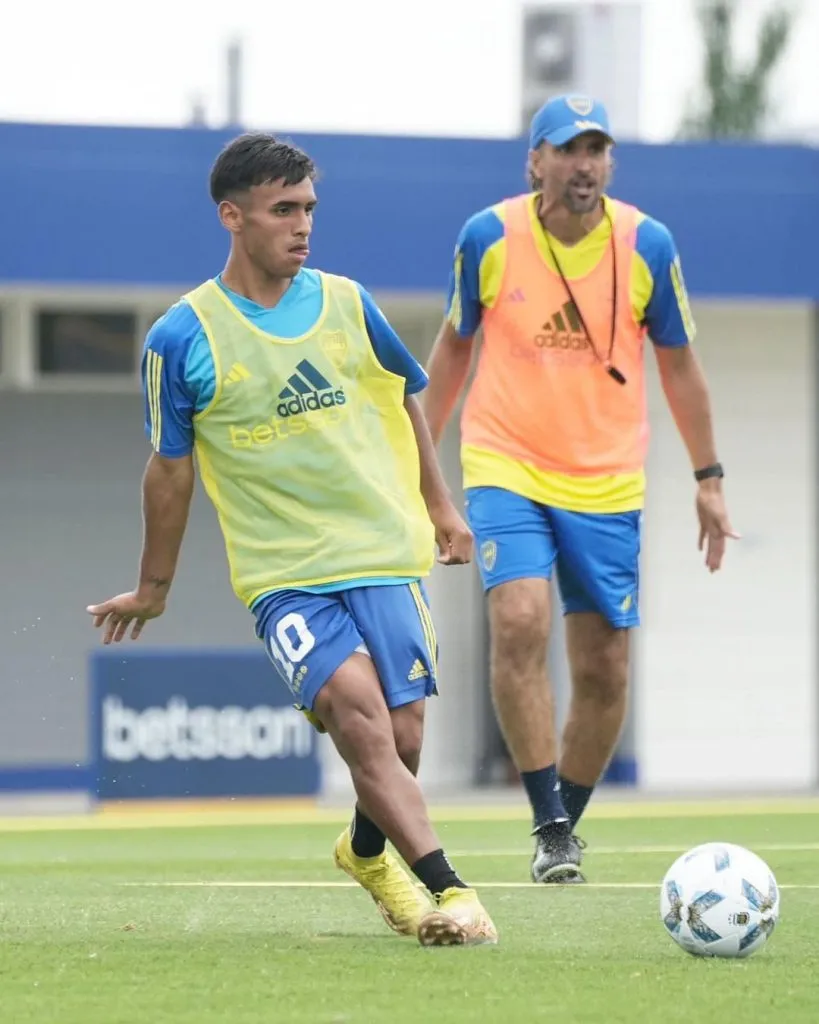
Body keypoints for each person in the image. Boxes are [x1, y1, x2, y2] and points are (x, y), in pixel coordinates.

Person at [87, 132, 497, 947]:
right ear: (232, 217)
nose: (302, 225)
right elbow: (168, 472)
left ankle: (364, 852)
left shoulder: (348, 303)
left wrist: (442, 507)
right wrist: (154, 590)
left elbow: (405, 400)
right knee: (358, 716)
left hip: (382, 553)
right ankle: (454, 893)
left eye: (308, 208)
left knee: (403, 736)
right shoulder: (182, 337)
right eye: (282, 210)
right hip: (285, 579)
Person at [422, 95, 737, 884]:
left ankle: (562, 824)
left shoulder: (646, 244)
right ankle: (548, 822)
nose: (583, 164)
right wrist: (417, 466)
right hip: (505, 461)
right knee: (518, 619)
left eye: (596, 150)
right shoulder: (487, 236)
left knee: (603, 668)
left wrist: (708, 477)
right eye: (567, 149)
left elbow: (679, 366)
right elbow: (454, 349)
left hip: (605, 479)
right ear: (535, 162)